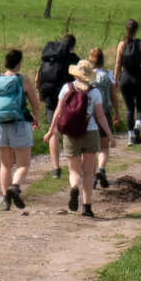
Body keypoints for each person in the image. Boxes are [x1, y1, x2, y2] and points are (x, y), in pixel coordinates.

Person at [48, 60, 113, 216]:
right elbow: (100, 115)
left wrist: (50, 131)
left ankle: (74, 187)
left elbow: (57, 112)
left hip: (71, 134)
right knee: (89, 172)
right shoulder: (94, 92)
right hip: (90, 133)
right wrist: (110, 135)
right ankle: (87, 207)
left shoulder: (66, 88)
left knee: (74, 170)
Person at [0, 47, 36, 210]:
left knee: (5, 165)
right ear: (19, 64)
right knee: (23, 164)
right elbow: (33, 102)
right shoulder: (22, 80)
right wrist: (36, 118)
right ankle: (15, 187)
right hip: (19, 125)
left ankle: (6, 200)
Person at [85, 48, 120, 189]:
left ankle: (92, 177)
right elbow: (113, 96)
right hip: (104, 112)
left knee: (91, 148)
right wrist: (117, 112)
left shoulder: (87, 74)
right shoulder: (109, 74)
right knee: (104, 147)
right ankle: (101, 169)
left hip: (88, 114)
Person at [115, 18, 141, 146]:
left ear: (126, 29)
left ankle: (130, 137)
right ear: (137, 29)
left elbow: (118, 63)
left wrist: (115, 79)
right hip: (139, 78)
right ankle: (138, 125)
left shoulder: (121, 45)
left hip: (125, 78)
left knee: (130, 108)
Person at [35, 32, 75, 113]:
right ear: (73, 46)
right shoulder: (74, 59)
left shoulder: (49, 57)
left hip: (49, 97)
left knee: (52, 124)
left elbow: (37, 79)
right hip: (67, 100)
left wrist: (40, 93)